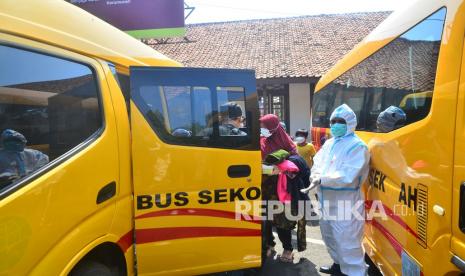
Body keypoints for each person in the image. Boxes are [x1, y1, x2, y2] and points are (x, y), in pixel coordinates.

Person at [306, 104, 370, 276]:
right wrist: (315, 176)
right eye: (333, 121)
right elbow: (317, 164)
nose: (335, 124)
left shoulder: (358, 146)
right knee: (330, 237)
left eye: (340, 121)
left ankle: (354, 272)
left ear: (349, 123)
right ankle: (338, 265)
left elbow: (349, 176)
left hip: (346, 204)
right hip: (326, 201)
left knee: (348, 241)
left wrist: (322, 179)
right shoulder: (329, 144)